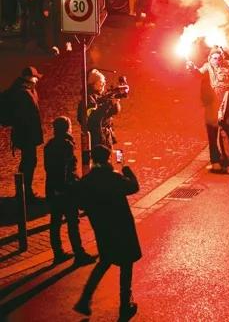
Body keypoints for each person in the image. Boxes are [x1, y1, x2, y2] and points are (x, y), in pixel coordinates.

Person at [73, 145, 141, 320]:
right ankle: (125, 304)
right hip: (121, 227)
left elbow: (80, 203)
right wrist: (125, 168)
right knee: (126, 264)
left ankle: (85, 298)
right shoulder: (114, 178)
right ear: (108, 159)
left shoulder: (87, 182)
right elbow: (134, 186)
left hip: (103, 229)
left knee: (104, 261)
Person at [44, 116, 96, 265]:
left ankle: (58, 253)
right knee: (73, 222)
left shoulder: (49, 145)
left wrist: (55, 188)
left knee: (55, 222)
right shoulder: (67, 145)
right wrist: (65, 187)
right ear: (67, 129)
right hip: (66, 190)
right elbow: (65, 169)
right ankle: (79, 254)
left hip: (52, 188)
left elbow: (49, 168)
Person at [188, 49, 229, 173]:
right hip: (211, 106)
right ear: (210, 59)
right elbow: (198, 74)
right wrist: (192, 68)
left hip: (225, 105)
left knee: (226, 135)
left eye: (219, 58)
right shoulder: (207, 67)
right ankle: (215, 162)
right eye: (214, 58)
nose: (217, 61)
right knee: (212, 134)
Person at [8, 66, 44, 199]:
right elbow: (24, 118)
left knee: (29, 161)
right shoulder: (23, 94)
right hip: (26, 136)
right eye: (35, 78)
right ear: (29, 78)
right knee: (29, 162)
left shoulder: (28, 91)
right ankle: (24, 192)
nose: (37, 80)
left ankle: (24, 191)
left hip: (27, 135)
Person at [78, 69, 123, 151]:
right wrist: (109, 103)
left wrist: (115, 100)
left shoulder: (101, 96)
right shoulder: (88, 99)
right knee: (100, 157)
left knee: (109, 156)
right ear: (93, 83)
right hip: (97, 138)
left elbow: (114, 112)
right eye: (101, 82)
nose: (103, 84)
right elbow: (94, 117)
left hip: (105, 135)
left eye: (104, 82)